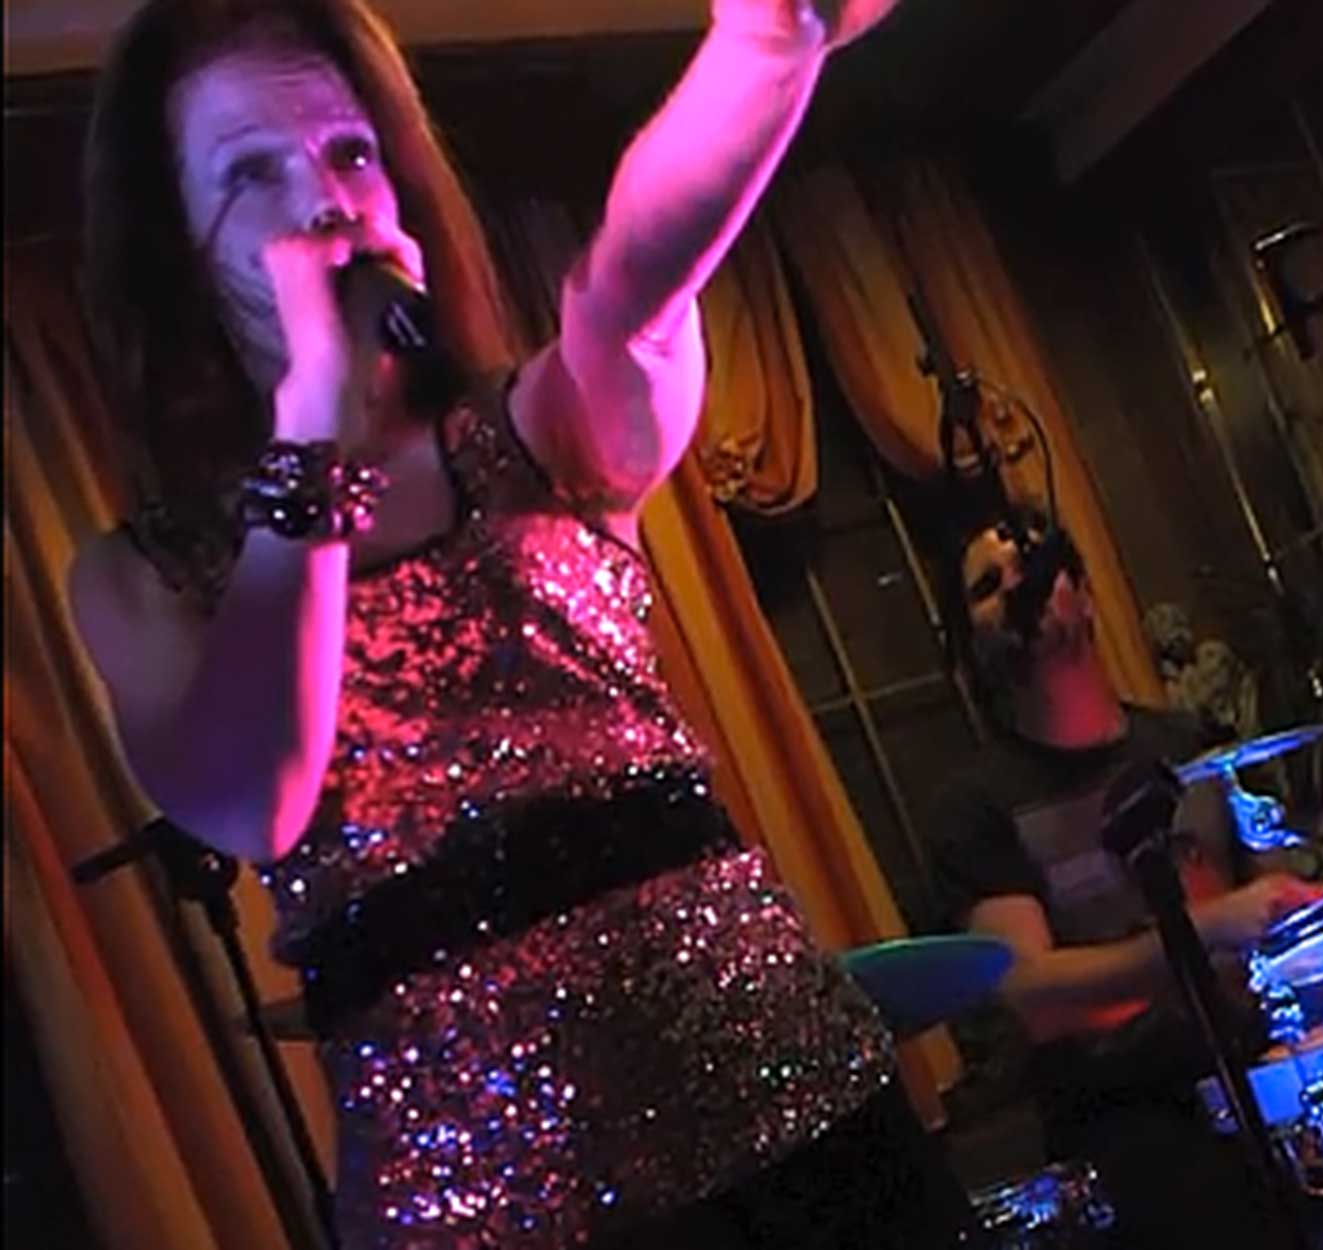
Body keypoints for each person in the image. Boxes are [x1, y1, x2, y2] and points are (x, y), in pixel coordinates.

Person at [66, 1, 977, 1246]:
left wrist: (767, 45)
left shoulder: (536, 432)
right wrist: (315, 424)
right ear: (177, 252)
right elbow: (250, 796)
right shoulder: (147, 575)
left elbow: (630, 289)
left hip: (803, 1134)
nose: (326, 198)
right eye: (250, 173)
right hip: (482, 1218)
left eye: (350, 151)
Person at [926, 512, 1323, 1249]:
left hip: (1263, 1064)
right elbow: (1034, 991)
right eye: (987, 586)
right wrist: (1201, 930)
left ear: (1084, 594)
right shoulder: (976, 805)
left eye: (1034, 565)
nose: (1018, 586)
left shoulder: (1188, 746)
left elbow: (1277, 907)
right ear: (972, 642)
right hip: (1130, 1120)